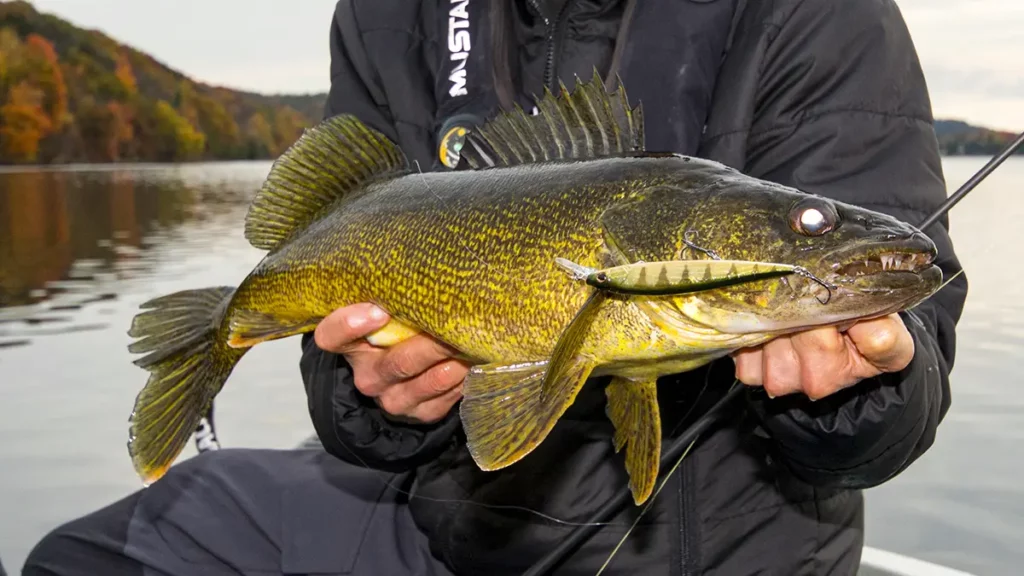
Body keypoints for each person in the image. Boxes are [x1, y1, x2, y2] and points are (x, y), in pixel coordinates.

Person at [23, 0, 967, 574]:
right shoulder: (392, 14)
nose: (821, 238)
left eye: (809, 226)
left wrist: (861, 388)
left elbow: (909, 375)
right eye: (807, 226)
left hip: (724, 555)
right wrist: (381, 403)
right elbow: (347, 386)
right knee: (89, 558)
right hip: (444, 536)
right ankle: (211, 340)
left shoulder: (819, 16)